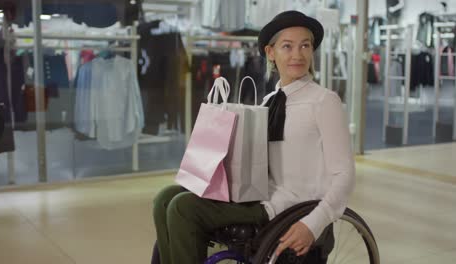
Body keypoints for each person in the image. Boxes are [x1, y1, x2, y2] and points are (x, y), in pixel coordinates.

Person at [151, 10, 355, 264]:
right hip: (257, 194)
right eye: (287, 46)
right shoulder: (269, 102)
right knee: (165, 198)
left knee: (183, 208)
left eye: (305, 45)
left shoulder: (324, 101)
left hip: (288, 206)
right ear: (271, 53)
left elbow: (344, 175)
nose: (297, 54)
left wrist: (313, 224)